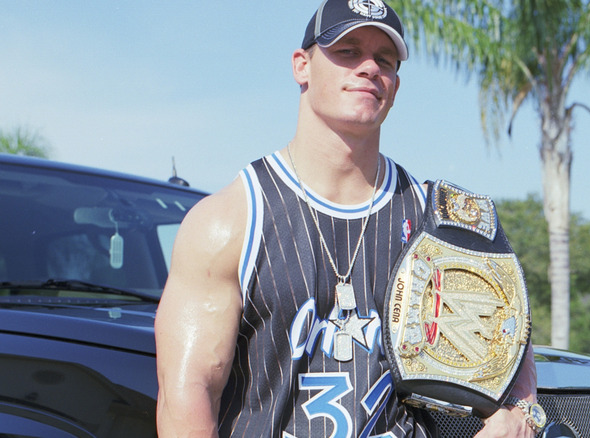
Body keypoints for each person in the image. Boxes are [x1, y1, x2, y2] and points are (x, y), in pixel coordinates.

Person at [155, 1, 539, 437]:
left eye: (385, 59)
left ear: (395, 85)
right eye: (348, 51)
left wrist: (518, 417)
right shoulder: (230, 221)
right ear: (302, 66)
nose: (369, 68)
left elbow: (511, 354)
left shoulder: (440, 222)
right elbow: (187, 392)